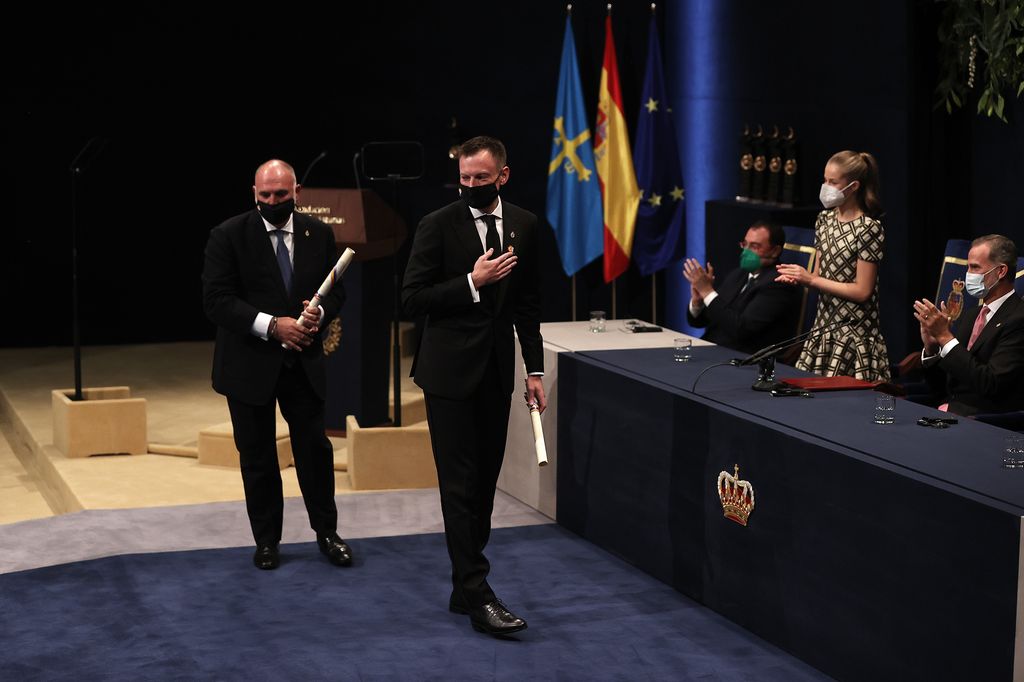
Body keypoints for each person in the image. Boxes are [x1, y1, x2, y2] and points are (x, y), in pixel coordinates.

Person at [402, 136, 545, 636]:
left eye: (480, 179)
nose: (470, 187)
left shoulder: (525, 225)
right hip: (446, 376)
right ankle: (479, 591)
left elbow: (527, 306)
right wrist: (471, 282)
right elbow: (412, 299)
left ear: (502, 176)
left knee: (484, 484)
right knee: (459, 486)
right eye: (463, 179)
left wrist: (534, 369)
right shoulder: (436, 226)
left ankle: (463, 587)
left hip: (495, 373)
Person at [202, 159, 353, 571]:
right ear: (254, 193)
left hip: (303, 364)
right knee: (257, 457)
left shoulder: (318, 233)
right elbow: (216, 300)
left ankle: (327, 532)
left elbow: (337, 291)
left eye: (280, 195)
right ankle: (267, 541)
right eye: (265, 195)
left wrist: (321, 314)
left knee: (315, 453)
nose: (272, 202)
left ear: (296, 192)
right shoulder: (228, 235)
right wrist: (273, 326)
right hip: (249, 366)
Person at [776, 150, 891, 382]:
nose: (825, 186)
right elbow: (820, 276)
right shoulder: (824, 220)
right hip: (823, 329)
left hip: (853, 335)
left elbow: (862, 291)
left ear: (853, 186)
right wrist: (801, 278)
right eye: (825, 180)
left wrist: (811, 279)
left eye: (832, 182)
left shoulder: (868, 228)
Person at [913, 234, 1024, 416]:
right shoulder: (972, 315)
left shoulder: (1018, 318)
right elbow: (944, 388)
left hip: (986, 422)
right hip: (949, 413)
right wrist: (932, 348)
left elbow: (990, 384)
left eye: (975, 267)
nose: (968, 276)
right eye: (968, 268)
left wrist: (945, 337)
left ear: (1001, 271)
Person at [683, 220, 802, 354]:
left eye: (754, 246)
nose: (746, 251)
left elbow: (741, 330)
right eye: (745, 244)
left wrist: (707, 291)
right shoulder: (738, 275)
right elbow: (701, 321)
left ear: (775, 251)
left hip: (742, 359)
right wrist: (698, 302)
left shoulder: (780, 283)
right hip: (712, 349)